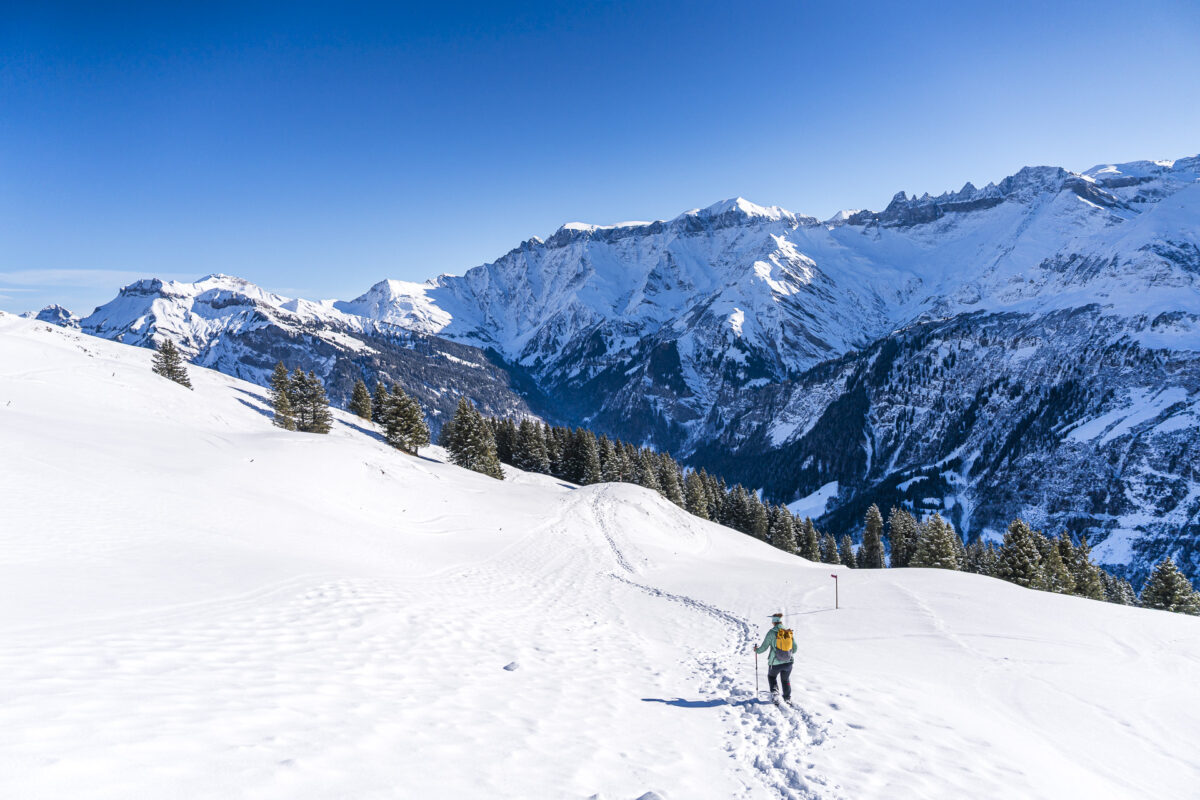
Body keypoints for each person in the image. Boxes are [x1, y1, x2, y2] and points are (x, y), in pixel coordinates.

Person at [754, 612, 796, 702]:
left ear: (774, 622)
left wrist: (756, 650)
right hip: (789, 662)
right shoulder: (789, 632)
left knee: (771, 677)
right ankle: (787, 698)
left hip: (775, 663)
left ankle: (775, 694)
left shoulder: (771, 632)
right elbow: (795, 648)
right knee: (785, 679)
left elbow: (764, 647)